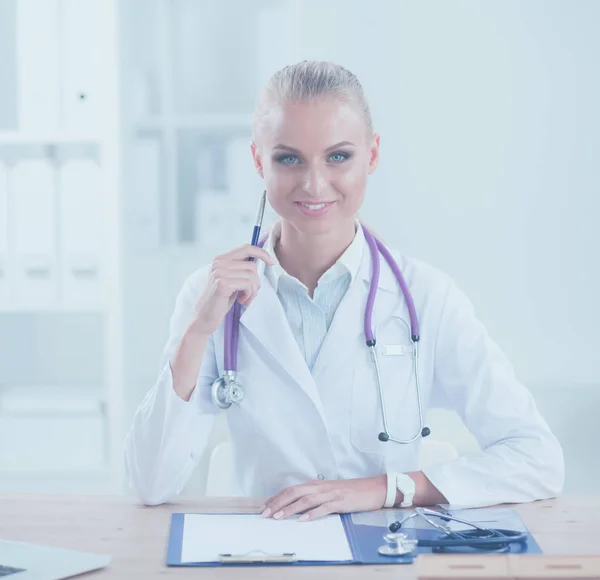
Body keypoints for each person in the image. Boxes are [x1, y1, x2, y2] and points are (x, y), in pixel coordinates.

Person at [124, 60, 564, 519]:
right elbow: (151, 483)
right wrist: (198, 331)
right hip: (260, 562)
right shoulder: (211, 296)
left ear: (371, 155)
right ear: (258, 160)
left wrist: (384, 489)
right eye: (288, 158)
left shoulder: (427, 297)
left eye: (338, 156)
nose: (315, 184)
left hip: (380, 568)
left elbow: (537, 458)